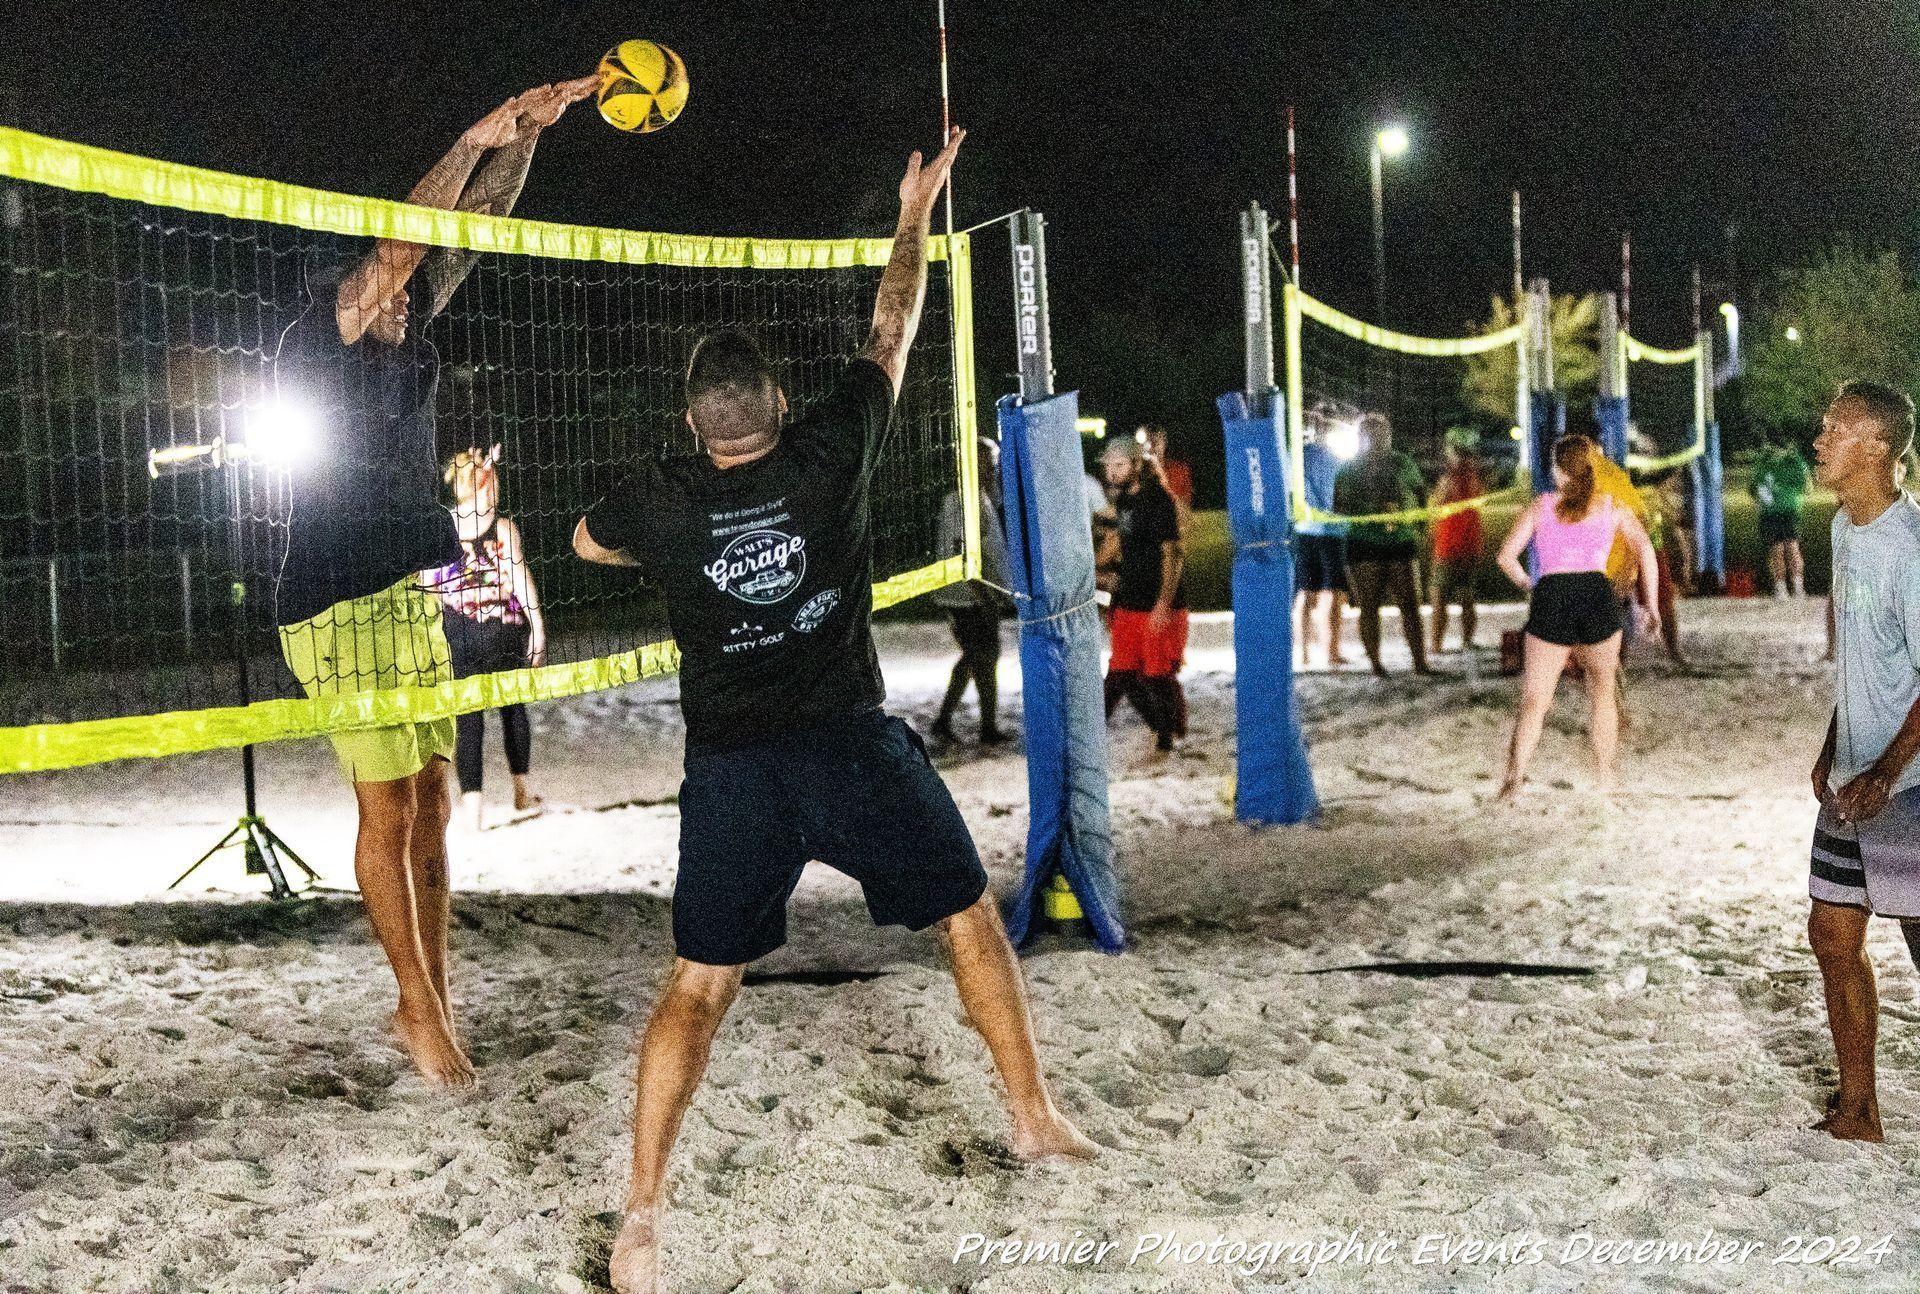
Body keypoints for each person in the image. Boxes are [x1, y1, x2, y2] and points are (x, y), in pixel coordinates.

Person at [573, 129, 1095, 1294]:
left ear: (694, 423)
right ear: (779, 402)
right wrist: (912, 212)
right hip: (850, 746)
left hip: (735, 771)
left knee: (697, 986)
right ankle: (1032, 1117)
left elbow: (584, 542)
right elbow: (892, 326)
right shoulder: (832, 449)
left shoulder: (662, 498)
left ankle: (643, 1218)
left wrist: (676, 541)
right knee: (967, 916)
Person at [271, 77, 595, 1089]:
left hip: (410, 591)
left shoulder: (407, 332)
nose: (409, 292)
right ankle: (414, 1006)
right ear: (355, 286)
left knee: (434, 803)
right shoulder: (321, 340)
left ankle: (433, 999)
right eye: (391, 280)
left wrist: (526, 136)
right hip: (333, 601)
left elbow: (471, 230)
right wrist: (469, 136)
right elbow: (405, 247)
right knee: (385, 815)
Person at [1804, 381, 1920, 1144]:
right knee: (1832, 935)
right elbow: (1863, 658)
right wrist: (1835, 744)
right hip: (1853, 784)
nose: (1819, 440)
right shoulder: (1845, 528)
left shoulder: (1911, 551)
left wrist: (1885, 771)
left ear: (1878, 447)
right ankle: (1859, 1111)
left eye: (1835, 429)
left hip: (1908, 788)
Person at [1495, 434, 1659, 799]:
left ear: (1556, 471)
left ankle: (1513, 780)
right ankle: (1606, 778)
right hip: (1597, 595)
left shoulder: (1541, 506)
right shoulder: (1611, 506)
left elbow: (1505, 557)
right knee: (1602, 693)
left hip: (1553, 595)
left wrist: (1528, 584)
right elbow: (1646, 550)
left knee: (1535, 699)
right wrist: (1652, 604)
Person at [424, 446, 548, 830]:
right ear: (483, 484)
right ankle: (521, 793)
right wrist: (538, 626)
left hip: (457, 632)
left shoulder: (441, 528)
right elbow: (520, 578)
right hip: (502, 630)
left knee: (468, 718)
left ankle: (474, 811)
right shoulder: (503, 528)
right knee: (513, 709)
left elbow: (429, 587)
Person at [1101, 435, 1187, 756]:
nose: (1112, 472)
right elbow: (1119, 543)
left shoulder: (1157, 499)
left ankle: (1167, 734)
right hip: (1129, 599)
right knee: (1121, 674)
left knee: (1156, 674)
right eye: (1108, 465)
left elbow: (1172, 554)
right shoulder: (1125, 500)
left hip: (1155, 602)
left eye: (1119, 465)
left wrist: (1164, 603)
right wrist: (1098, 570)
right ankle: (1162, 729)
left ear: (1137, 465)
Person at [930, 436, 1014, 746]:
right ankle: (987, 728)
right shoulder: (961, 501)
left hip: (978, 595)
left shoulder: (983, 496)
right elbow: (959, 553)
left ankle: (944, 721)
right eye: (985, 462)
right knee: (984, 658)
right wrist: (984, 596)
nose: (991, 468)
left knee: (976, 657)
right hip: (966, 597)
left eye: (992, 462)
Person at [1333, 412, 1431, 676]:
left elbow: (1421, 494)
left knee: (1410, 604)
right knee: (1369, 605)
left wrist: (1420, 526)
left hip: (1400, 540)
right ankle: (1376, 665)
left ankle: (1420, 662)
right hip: (1364, 542)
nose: (1378, 440)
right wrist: (1370, 506)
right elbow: (1339, 507)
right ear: (1362, 438)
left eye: (1383, 434)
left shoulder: (1402, 463)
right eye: (1372, 435)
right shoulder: (1349, 469)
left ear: (1389, 436)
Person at [1139, 424, 1192, 739]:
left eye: (1155, 441)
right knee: (1142, 666)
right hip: (1140, 579)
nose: (1150, 447)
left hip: (1167, 572)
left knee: (1163, 666)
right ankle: (1166, 726)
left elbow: (1184, 521)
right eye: (1145, 442)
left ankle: (1173, 727)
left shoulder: (1175, 472)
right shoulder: (1132, 476)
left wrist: (1162, 483)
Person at [1293, 414, 1349, 667]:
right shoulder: (1302, 454)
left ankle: (1328, 651)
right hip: (1313, 530)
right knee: (1312, 593)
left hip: (1329, 530)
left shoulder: (1338, 456)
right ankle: (1308, 652)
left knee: (1330, 593)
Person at [1428, 426, 1487, 654]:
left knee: (1441, 598)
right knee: (1464, 598)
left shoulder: (1451, 478)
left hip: (1450, 547)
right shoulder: (1473, 478)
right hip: (1467, 545)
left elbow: (1435, 509)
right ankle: (1464, 641)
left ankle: (1438, 644)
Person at [1755, 434, 1813, 598]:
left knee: (1779, 549)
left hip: (1772, 510)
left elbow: (1754, 487)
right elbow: (1807, 487)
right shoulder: (1794, 461)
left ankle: (1782, 588)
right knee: (1791, 547)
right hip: (1788, 509)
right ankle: (1796, 587)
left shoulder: (1765, 462)